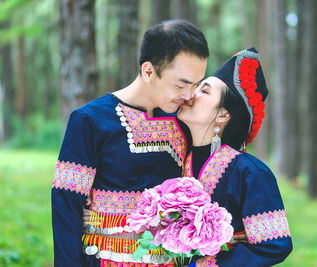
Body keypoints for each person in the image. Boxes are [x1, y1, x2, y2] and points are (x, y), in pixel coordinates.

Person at [51, 19, 208, 267]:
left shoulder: (184, 122)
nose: (189, 95)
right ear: (148, 71)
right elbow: (66, 204)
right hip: (105, 259)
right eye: (181, 84)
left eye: (196, 85)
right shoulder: (90, 120)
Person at [177, 47, 293, 266]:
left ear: (223, 114)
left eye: (205, 90)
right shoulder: (177, 160)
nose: (191, 93)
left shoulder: (250, 172)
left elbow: (275, 244)